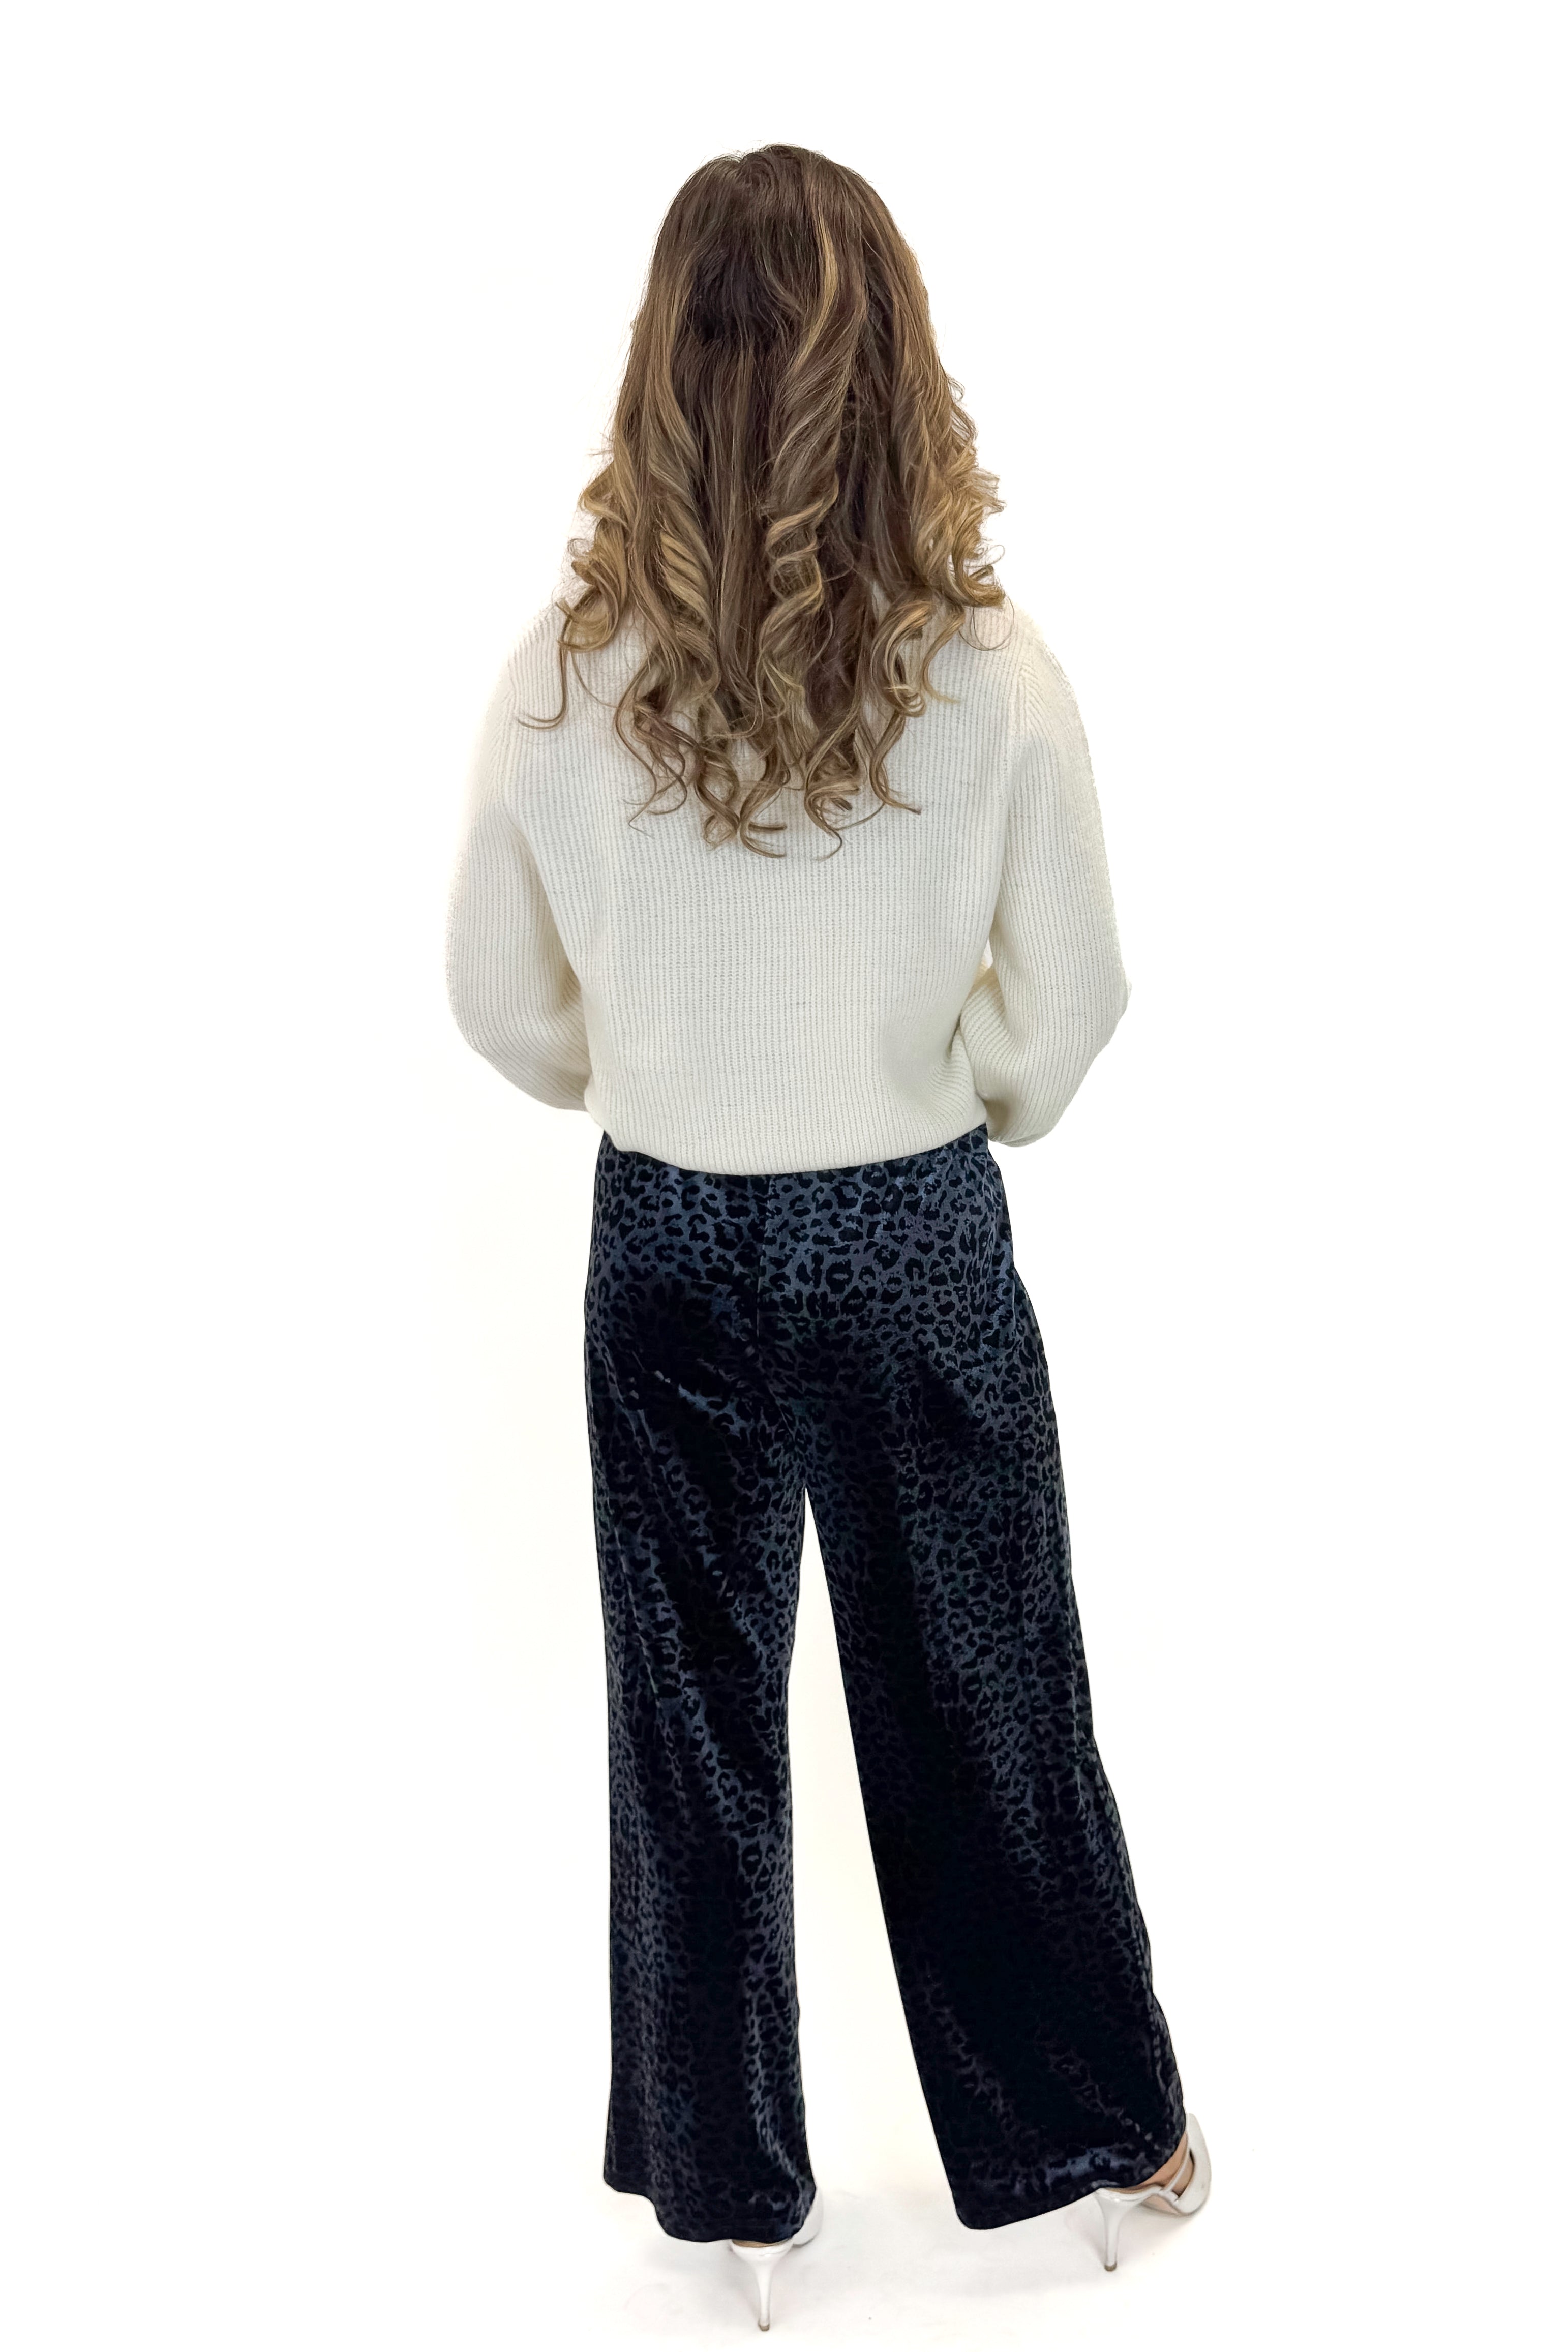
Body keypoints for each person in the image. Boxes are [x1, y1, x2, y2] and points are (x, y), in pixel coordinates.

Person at [445, 142, 1210, 2332]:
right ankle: (1105, 2138)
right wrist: (944, 1101)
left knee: (691, 1715)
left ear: (662, 371)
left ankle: (728, 2197)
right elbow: (1073, 1007)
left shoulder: (565, 671)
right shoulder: (987, 665)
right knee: (986, 1690)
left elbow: (496, 997)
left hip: (669, 1241)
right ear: (900, 364)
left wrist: (666, 1077)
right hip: (910, 1233)